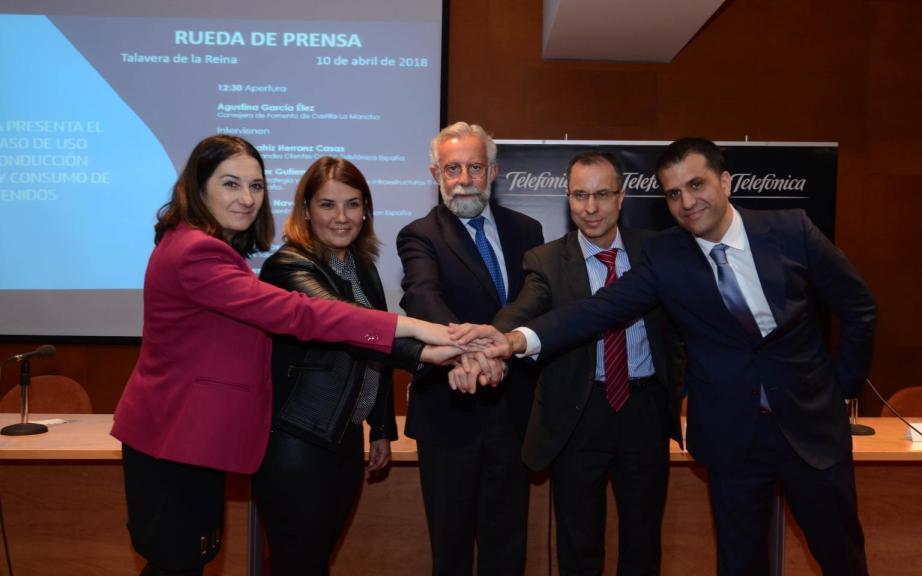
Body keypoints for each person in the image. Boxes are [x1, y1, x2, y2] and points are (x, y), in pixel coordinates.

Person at [455, 138, 878, 576]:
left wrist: (839, 388)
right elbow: (597, 310)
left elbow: (859, 306)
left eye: (697, 184)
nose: (687, 201)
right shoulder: (666, 257)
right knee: (740, 563)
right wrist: (514, 341)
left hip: (810, 429)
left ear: (726, 182)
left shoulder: (791, 228)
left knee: (841, 556)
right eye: (674, 193)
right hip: (734, 440)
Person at [111, 135, 457, 576]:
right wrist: (416, 330)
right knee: (178, 565)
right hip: (175, 438)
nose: (247, 198)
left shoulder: (210, 248)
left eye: (256, 186)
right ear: (198, 188)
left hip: (189, 438)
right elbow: (299, 313)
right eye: (231, 184)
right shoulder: (197, 252)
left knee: (185, 563)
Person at [475, 151, 684, 575]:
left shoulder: (657, 252)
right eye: (579, 196)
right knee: (578, 540)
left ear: (621, 197)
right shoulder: (547, 260)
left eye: (602, 195)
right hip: (579, 412)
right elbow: (521, 311)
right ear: (568, 200)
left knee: (643, 538)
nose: (590, 208)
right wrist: (493, 342)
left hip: (645, 409)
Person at [251, 156, 460, 575]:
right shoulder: (286, 267)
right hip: (297, 443)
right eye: (328, 205)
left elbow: (373, 351)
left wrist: (380, 429)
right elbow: (348, 325)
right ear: (306, 210)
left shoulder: (361, 265)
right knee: (299, 563)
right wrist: (424, 350)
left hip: (342, 439)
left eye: (353, 204)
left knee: (317, 558)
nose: (342, 217)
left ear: (366, 209)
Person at [397, 122, 544, 575]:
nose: (464, 179)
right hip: (449, 414)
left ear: (494, 172)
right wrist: (471, 354)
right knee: (451, 549)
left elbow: (534, 301)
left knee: (508, 546)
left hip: (514, 412)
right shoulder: (419, 234)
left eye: (475, 167)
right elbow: (424, 297)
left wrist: (496, 350)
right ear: (435, 174)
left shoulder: (528, 230)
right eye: (453, 168)